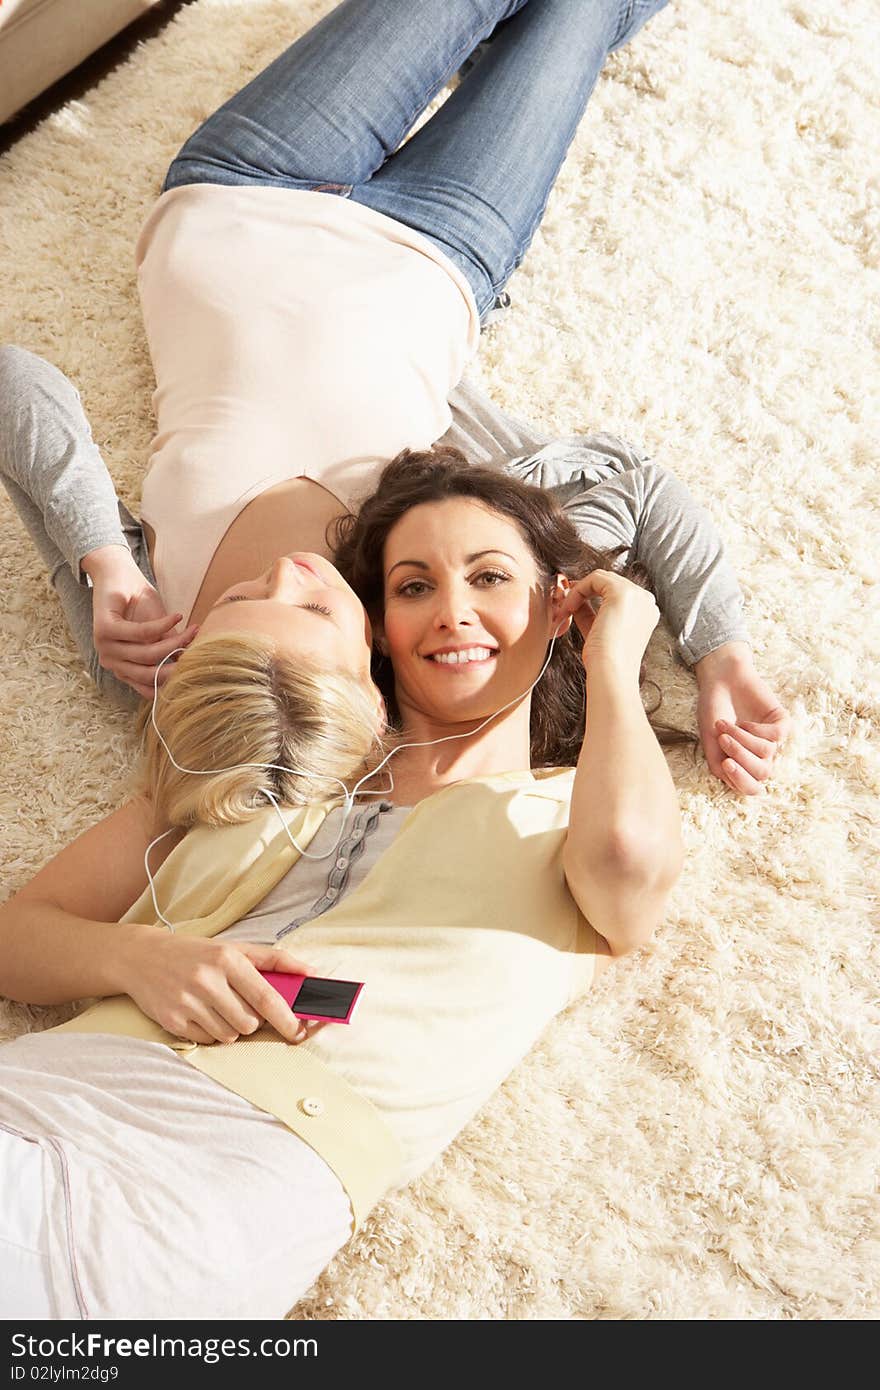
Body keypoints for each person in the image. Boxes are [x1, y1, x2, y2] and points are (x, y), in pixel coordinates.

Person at [0, 0, 788, 790]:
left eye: (245, 595)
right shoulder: (439, 576)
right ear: (371, 664)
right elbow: (638, 491)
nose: (293, 571)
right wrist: (722, 654)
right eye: (314, 610)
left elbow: (15, 383)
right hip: (448, 247)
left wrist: (106, 564)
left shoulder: (153, 647)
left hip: (241, 189)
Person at [1, 450, 712, 1321]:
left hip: (200, 1192)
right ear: (378, 626)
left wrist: (617, 647)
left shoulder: (573, 812)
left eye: (490, 577)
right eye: (413, 587)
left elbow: (630, 864)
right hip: (40, 1091)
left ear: (559, 607)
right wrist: (138, 957)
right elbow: (16, 939)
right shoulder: (260, 761)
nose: (452, 611)